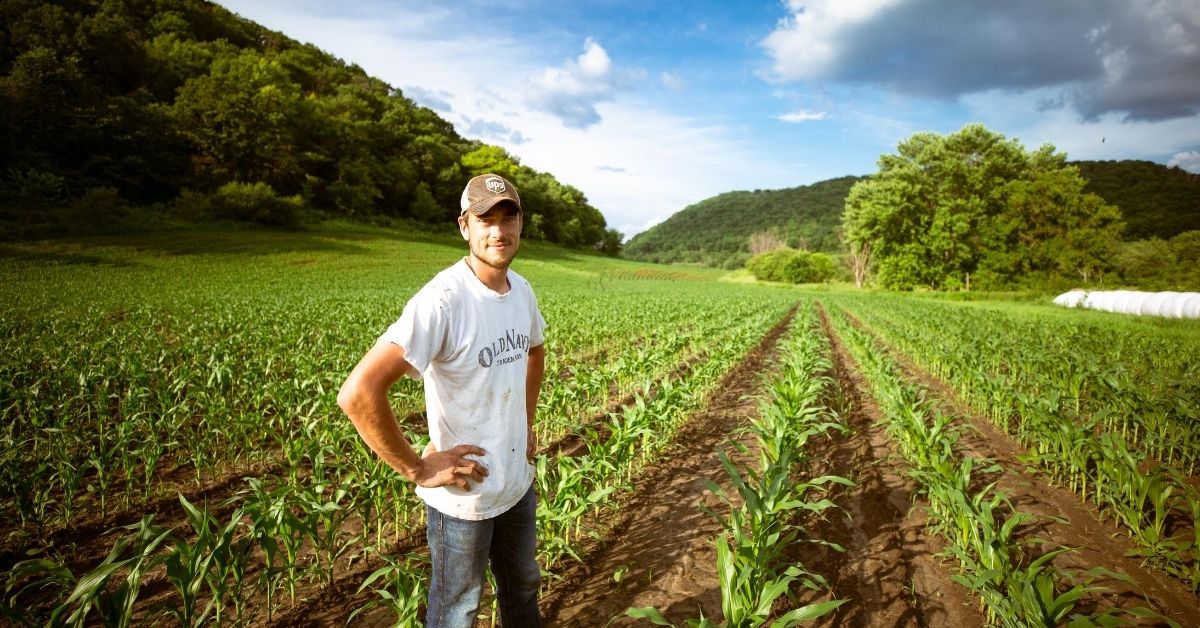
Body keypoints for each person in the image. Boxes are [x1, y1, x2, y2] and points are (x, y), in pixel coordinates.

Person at [337, 173, 545, 627]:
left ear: (521, 224)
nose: (498, 230)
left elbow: (535, 352)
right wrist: (417, 467)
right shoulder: (443, 300)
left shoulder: (523, 292)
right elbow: (358, 393)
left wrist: (526, 422)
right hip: (463, 498)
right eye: (485, 219)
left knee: (523, 589)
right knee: (458, 609)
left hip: (517, 484)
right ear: (464, 226)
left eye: (507, 218)